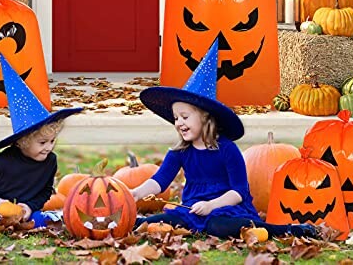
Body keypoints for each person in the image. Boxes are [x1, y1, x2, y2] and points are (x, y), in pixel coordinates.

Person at [132, 40, 318, 239]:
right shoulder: (180, 151)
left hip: (225, 207)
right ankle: (135, 222)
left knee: (219, 226)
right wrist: (135, 193)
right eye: (176, 118)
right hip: (192, 210)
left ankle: (286, 229)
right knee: (159, 221)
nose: (179, 123)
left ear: (205, 117)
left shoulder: (227, 149)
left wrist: (211, 205)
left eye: (185, 117)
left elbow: (239, 191)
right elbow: (159, 181)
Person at [0, 54, 82, 227]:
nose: (48, 148)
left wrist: (30, 207)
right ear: (23, 141)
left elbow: (45, 191)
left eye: (52, 141)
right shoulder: (3, 160)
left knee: (39, 222)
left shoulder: (51, 161)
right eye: (42, 142)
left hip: (25, 211)